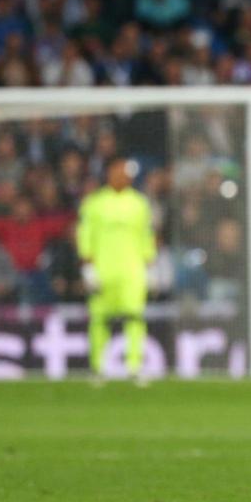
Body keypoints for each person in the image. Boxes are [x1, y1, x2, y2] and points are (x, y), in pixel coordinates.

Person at [77, 157, 156, 385]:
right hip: (103, 269)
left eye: (127, 171)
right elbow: (85, 235)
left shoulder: (139, 203)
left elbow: (146, 236)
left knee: (135, 317)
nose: (124, 175)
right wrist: (88, 266)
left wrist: (150, 266)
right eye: (119, 170)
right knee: (100, 319)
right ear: (109, 172)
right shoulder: (94, 203)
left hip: (133, 270)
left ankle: (134, 366)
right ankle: (98, 368)